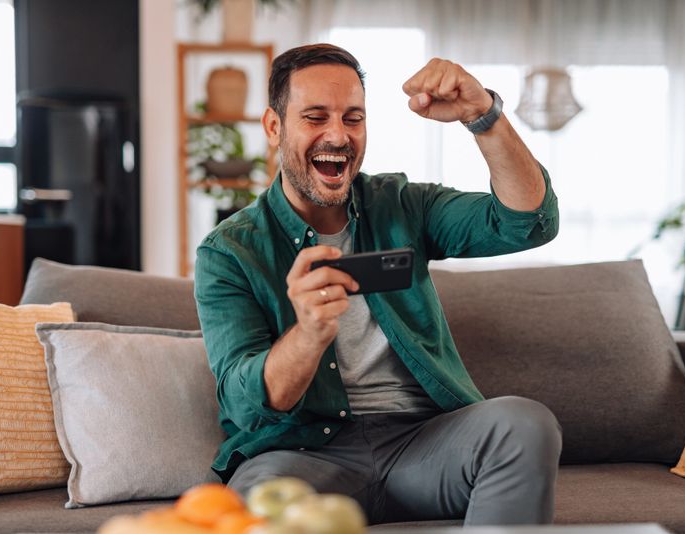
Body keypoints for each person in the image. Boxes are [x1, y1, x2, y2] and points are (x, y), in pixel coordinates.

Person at [194, 43, 562, 526]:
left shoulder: (402, 204)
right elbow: (245, 404)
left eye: (352, 118)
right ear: (274, 127)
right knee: (256, 500)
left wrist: (483, 116)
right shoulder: (228, 251)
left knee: (526, 424)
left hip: (423, 442)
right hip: (302, 455)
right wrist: (307, 334)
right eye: (315, 117)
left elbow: (527, 221)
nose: (338, 136)